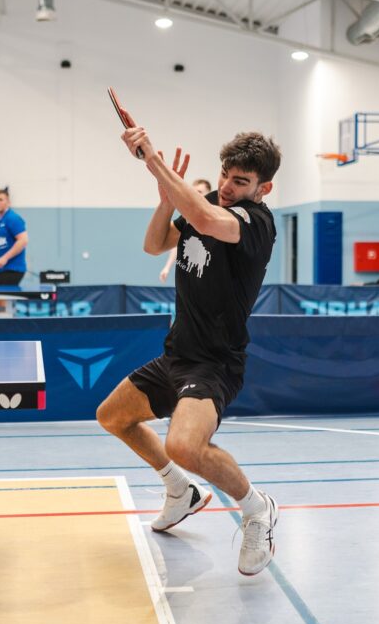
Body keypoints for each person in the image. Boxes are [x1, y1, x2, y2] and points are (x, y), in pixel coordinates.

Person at [97, 114, 281, 577]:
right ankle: (180, 490)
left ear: (264, 188)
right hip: (177, 355)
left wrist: (154, 162)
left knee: (183, 444)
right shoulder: (207, 206)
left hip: (215, 365)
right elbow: (154, 244)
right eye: (224, 175)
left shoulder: (255, 223)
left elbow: (204, 218)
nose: (227, 186)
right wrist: (165, 200)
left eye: (240, 181)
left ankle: (256, 508)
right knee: (112, 416)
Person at [159, 179, 212, 282]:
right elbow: (177, 243)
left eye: (200, 192)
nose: (195, 195)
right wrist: (167, 267)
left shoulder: (216, 218)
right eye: (193, 192)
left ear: (209, 194)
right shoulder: (186, 218)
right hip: (190, 274)